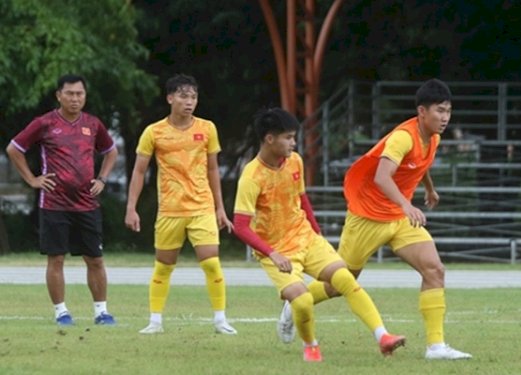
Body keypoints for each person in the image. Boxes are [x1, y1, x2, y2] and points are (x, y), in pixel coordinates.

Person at [294, 79, 472, 360]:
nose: (445, 117)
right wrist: (406, 205)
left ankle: (436, 347)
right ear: (422, 112)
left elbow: (418, 163)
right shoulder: (403, 137)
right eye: (440, 111)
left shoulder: (434, 138)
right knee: (342, 281)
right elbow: (381, 176)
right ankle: (297, 299)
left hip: (399, 220)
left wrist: (428, 187)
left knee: (434, 269)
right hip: (368, 216)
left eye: (448, 111)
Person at [232, 108, 405, 362]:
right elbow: (241, 226)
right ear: (269, 139)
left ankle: (383, 337)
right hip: (276, 249)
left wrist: (316, 232)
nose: (294, 142)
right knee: (301, 302)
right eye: (288, 137)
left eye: (294, 137)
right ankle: (311, 346)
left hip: (306, 237)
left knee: (344, 279)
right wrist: (272, 253)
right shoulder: (251, 176)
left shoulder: (295, 161)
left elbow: (301, 198)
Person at [125, 74, 236, 335]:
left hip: (201, 207)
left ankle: (220, 319)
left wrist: (220, 207)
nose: (189, 102)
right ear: (170, 98)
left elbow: (212, 169)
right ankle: (155, 321)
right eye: (184, 96)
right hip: (170, 210)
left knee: (211, 263)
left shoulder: (207, 128)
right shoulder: (154, 132)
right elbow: (139, 171)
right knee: (164, 266)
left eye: (194, 96)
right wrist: (131, 207)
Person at [6, 74, 118, 326]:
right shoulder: (44, 123)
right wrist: (32, 179)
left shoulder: (93, 124)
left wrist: (102, 178)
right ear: (59, 95)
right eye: (70, 93)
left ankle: (101, 311)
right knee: (56, 258)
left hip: (87, 204)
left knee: (95, 259)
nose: (75, 98)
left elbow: (111, 151)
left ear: (85, 96)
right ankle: (61, 312)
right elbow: (14, 149)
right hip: (54, 204)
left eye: (80, 94)